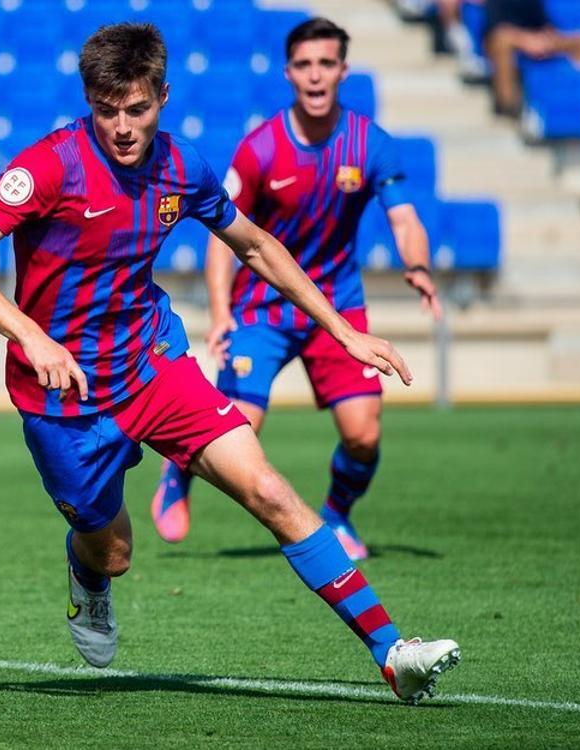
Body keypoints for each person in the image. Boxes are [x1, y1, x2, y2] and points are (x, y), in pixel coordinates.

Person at [0, 22, 460, 704]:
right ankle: (87, 579)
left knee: (268, 489)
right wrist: (31, 334)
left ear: (163, 97)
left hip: (153, 366)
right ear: (89, 101)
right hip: (63, 396)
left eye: (138, 108)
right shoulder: (50, 166)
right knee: (112, 551)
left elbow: (256, 245)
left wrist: (343, 332)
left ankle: (393, 653)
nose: (122, 126)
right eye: (107, 109)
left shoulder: (183, 167)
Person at [151, 18, 440, 562]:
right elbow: (223, 239)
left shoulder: (369, 143)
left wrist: (419, 265)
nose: (315, 75)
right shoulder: (260, 149)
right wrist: (219, 313)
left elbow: (404, 219)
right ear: (288, 73)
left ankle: (336, 515)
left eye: (326, 63)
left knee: (363, 436)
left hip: (338, 309)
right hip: (263, 309)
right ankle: (179, 472)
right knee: (238, 430)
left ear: (342, 70)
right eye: (304, 65)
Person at [482, 0, 580, 117]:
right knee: (502, 40)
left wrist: (544, 38)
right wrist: (525, 40)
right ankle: (508, 105)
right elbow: (495, 29)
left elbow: (544, 24)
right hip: (508, 40)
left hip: (535, 38)